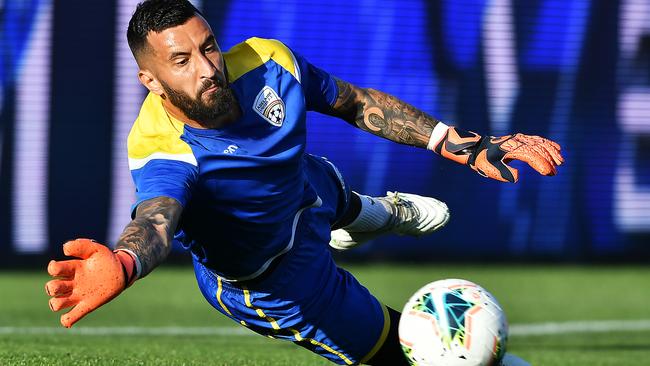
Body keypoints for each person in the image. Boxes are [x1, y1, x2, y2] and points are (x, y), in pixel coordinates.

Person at [44, 1, 564, 365]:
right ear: (151, 80)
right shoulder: (162, 147)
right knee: (406, 355)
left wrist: (462, 144)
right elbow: (156, 219)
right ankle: (365, 221)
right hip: (273, 278)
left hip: (302, 190)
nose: (207, 69)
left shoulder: (269, 62)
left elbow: (356, 103)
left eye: (209, 48)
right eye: (181, 61)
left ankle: (373, 214)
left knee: (318, 183)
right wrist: (127, 262)